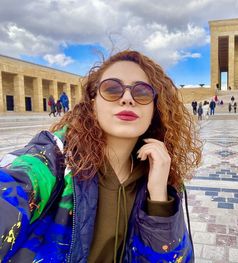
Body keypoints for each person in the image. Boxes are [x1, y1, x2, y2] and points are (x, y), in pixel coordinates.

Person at [0, 50, 200, 262]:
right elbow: (16, 185)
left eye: (141, 92)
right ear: (93, 104)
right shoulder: (55, 158)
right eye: (112, 89)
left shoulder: (157, 175)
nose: (127, 99)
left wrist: (159, 198)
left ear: (156, 109)